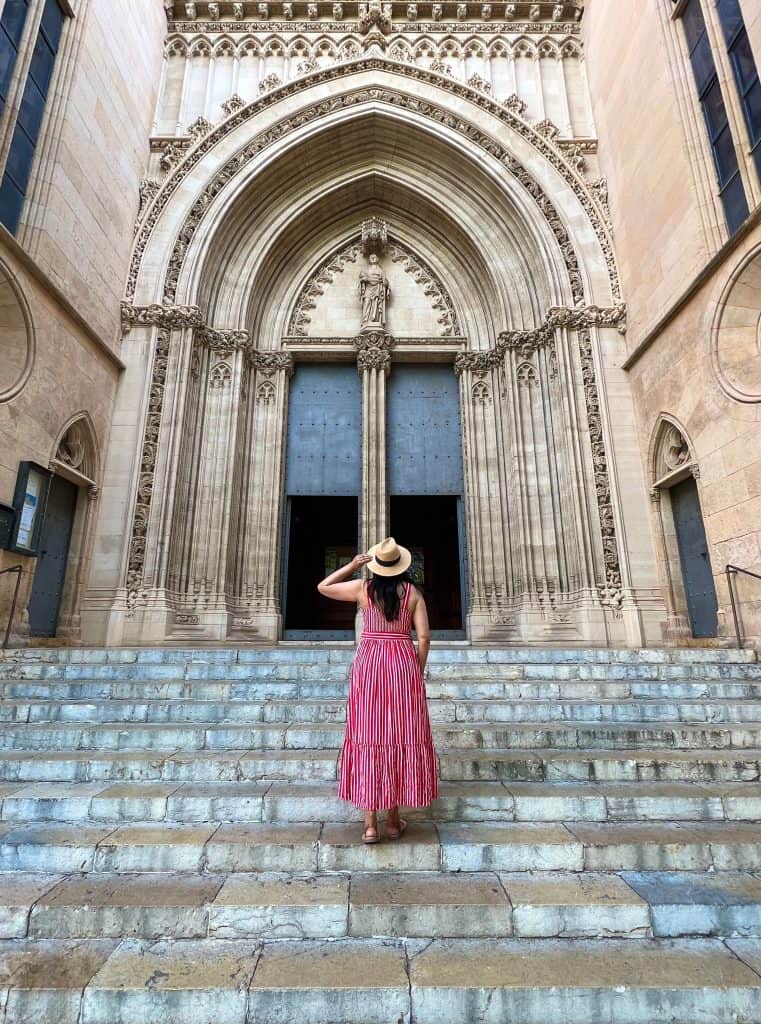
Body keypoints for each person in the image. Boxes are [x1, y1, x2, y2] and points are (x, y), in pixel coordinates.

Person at [317, 537, 438, 843]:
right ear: (401, 566)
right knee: (398, 734)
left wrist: (352, 566)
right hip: (402, 664)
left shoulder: (362, 589)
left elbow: (324, 587)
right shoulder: (413, 593)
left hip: (369, 664)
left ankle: (370, 824)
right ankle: (394, 821)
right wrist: (417, 670)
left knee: (370, 734)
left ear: (376, 565)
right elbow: (423, 637)